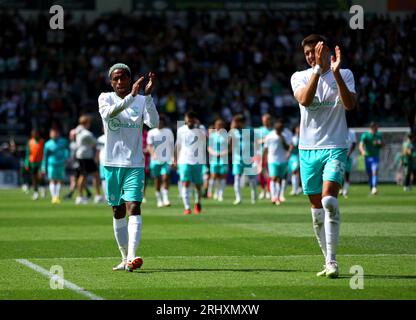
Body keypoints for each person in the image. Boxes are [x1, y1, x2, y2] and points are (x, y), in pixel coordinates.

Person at [290, 34, 356, 278]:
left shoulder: (345, 73)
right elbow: (305, 101)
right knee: (316, 208)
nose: (310, 57)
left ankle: (332, 260)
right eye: (307, 53)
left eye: (314, 51)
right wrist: (317, 70)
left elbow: (349, 105)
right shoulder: (299, 76)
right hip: (307, 149)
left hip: (335, 145)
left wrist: (336, 73)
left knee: (329, 200)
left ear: (327, 50)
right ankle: (326, 258)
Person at [98, 63, 159, 272]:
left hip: (134, 163)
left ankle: (132, 257)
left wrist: (148, 97)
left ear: (130, 79)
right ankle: (124, 257)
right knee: (118, 210)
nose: (119, 82)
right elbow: (109, 114)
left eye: (123, 78)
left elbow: (154, 123)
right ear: (110, 81)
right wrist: (131, 97)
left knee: (134, 206)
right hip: (112, 163)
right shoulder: (105, 98)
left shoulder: (141, 100)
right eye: (115, 78)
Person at [176, 111, 205, 215]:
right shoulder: (181, 130)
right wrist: (175, 159)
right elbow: (178, 145)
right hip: (184, 160)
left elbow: (205, 140)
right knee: (185, 182)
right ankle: (187, 207)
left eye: (191, 120)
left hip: (197, 160)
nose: (189, 122)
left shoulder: (201, 129)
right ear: (185, 120)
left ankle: (197, 202)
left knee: (198, 185)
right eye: (187, 120)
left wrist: (198, 127)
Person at [147, 114, 174, 207]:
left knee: (165, 178)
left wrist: (173, 158)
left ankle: (166, 199)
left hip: (166, 159)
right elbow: (149, 146)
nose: (159, 123)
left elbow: (171, 145)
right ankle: (159, 199)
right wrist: (153, 154)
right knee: (157, 180)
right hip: (155, 160)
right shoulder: (151, 133)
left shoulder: (168, 132)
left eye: (161, 122)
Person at [230, 114, 258, 205]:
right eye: (235, 122)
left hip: (248, 159)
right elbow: (228, 143)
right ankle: (238, 198)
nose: (236, 124)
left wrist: (256, 156)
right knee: (237, 178)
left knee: (252, 179)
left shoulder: (249, 130)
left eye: (237, 122)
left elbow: (255, 143)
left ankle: (254, 195)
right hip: (237, 159)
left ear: (242, 123)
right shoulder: (233, 131)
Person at [74, 115, 103, 204]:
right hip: (86, 157)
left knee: (90, 175)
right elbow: (96, 142)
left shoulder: (78, 131)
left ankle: (84, 196)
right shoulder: (86, 133)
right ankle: (82, 197)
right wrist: (105, 143)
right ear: (87, 123)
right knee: (87, 176)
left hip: (82, 156)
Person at [264, 121, 290, 205]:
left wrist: (282, 139)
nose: (279, 131)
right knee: (273, 178)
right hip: (272, 160)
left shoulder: (285, 136)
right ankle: (273, 197)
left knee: (280, 179)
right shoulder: (269, 136)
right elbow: (266, 148)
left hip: (283, 160)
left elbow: (287, 148)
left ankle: (277, 197)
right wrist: (264, 159)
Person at [41, 127, 69, 204]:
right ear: (50, 134)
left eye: (56, 133)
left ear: (58, 134)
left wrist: (67, 157)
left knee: (60, 180)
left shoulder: (63, 141)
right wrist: (44, 167)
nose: (54, 134)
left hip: (61, 164)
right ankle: (53, 197)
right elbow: (45, 156)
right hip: (51, 164)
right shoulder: (47, 144)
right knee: (53, 180)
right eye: (53, 133)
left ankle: (57, 196)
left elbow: (67, 150)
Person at [359, 122, 384, 195]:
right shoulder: (365, 135)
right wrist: (363, 151)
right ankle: (372, 188)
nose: (377, 129)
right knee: (369, 174)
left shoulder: (378, 135)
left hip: (375, 157)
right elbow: (360, 145)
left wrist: (379, 144)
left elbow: (383, 144)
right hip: (367, 157)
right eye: (376, 127)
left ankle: (374, 187)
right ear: (372, 127)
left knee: (374, 172)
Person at [207, 118, 229, 202]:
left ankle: (220, 194)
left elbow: (230, 147)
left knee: (222, 177)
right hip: (214, 158)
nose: (219, 127)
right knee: (214, 176)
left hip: (223, 158)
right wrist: (214, 153)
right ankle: (210, 191)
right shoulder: (212, 136)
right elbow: (209, 147)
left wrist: (223, 153)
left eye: (221, 125)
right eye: (217, 125)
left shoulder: (226, 135)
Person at [24, 129, 46, 200]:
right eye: (34, 134)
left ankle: (42, 188)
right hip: (32, 162)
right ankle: (36, 192)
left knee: (40, 176)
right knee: (34, 178)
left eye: (36, 134)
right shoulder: (30, 142)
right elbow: (27, 154)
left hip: (40, 162)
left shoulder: (42, 142)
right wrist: (26, 163)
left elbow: (44, 152)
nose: (35, 135)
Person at [256, 114, 273, 200]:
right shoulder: (259, 130)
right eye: (263, 120)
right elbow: (256, 142)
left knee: (269, 174)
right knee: (260, 174)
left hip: (270, 155)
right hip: (260, 154)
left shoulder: (272, 131)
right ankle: (263, 191)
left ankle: (269, 191)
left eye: (266, 120)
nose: (265, 122)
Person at [341, 128, 357, 198]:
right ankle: (340, 189)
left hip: (349, 157)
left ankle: (345, 191)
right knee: (339, 174)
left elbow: (354, 144)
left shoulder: (352, 132)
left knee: (347, 174)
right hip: (340, 156)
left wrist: (348, 154)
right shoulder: (339, 130)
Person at [288, 126, 301, 196]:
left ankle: (295, 189)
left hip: (297, 156)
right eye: (297, 128)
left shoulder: (302, 138)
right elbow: (290, 147)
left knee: (295, 172)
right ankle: (295, 188)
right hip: (292, 157)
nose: (298, 130)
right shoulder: (293, 138)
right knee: (294, 172)